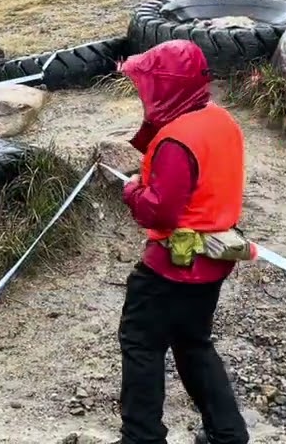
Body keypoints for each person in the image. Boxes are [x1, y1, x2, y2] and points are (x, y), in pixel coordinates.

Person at [116, 39, 253, 444]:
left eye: (148, 84)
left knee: (141, 344)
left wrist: (132, 191)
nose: (144, 92)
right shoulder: (219, 119)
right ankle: (228, 435)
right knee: (193, 343)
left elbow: (160, 212)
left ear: (165, 88)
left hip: (170, 266)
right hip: (214, 257)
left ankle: (141, 438)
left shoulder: (177, 140)